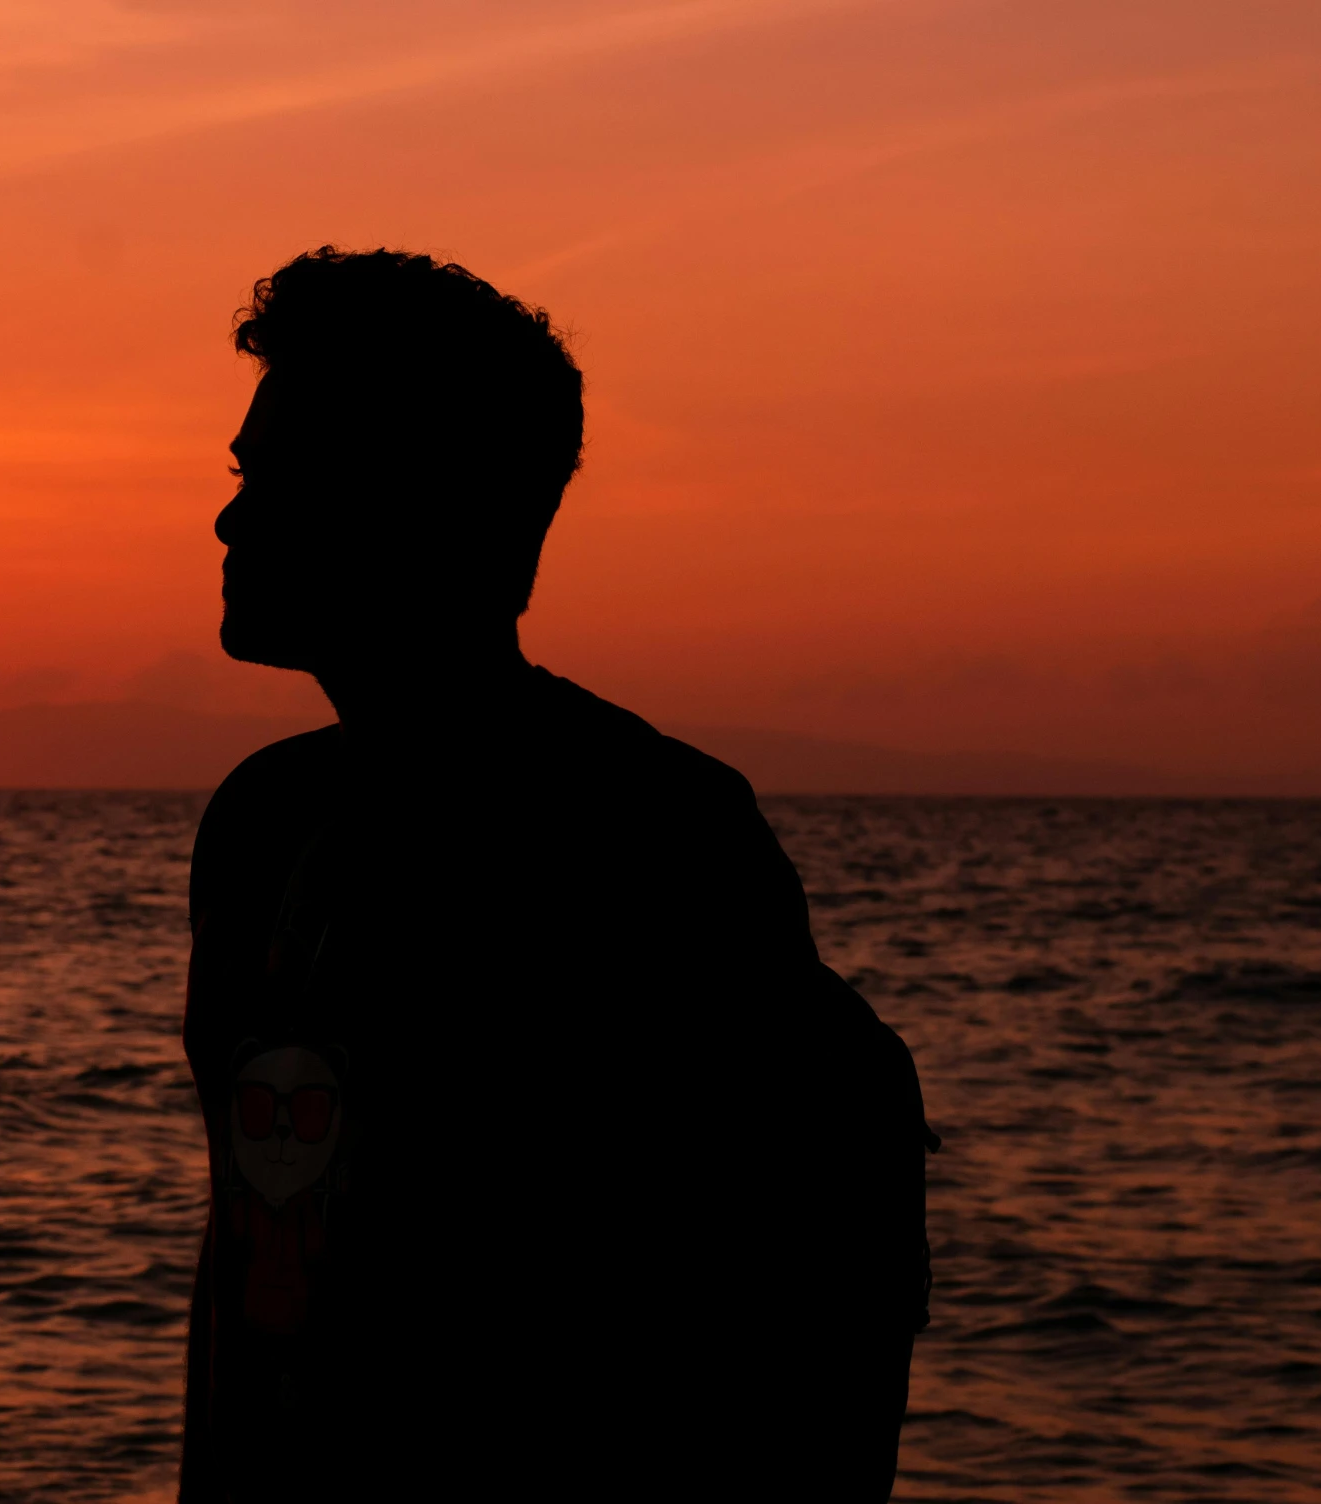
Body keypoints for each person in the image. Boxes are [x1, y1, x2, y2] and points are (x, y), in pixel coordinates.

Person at [179, 247, 934, 1501]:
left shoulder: (641, 834)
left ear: (411, 503)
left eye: (278, 475)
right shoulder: (265, 825)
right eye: (242, 474)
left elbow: (836, 1226)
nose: (231, 515)